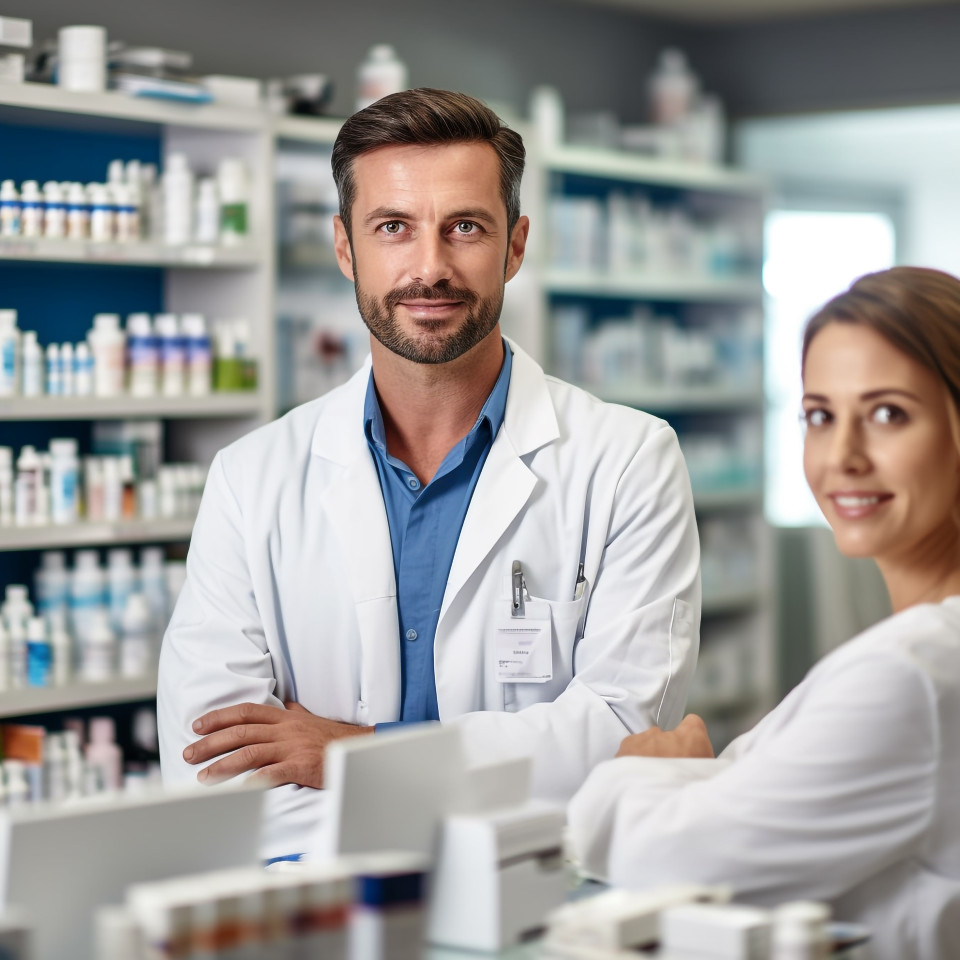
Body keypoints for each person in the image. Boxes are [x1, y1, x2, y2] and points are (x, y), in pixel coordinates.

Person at [157, 88, 701, 861]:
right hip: (328, 914)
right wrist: (498, 794)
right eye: (393, 228)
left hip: (540, 906)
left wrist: (348, 752)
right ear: (346, 247)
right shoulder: (251, 478)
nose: (430, 267)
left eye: (466, 228)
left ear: (515, 246)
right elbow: (212, 771)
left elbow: (621, 736)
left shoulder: (629, 460)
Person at [567, 265, 960, 960]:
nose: (844, 457)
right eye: (820, 416)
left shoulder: (916, 673)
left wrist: (642, 770)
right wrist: (695, 784)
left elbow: (671, 860)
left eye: (888, 414)